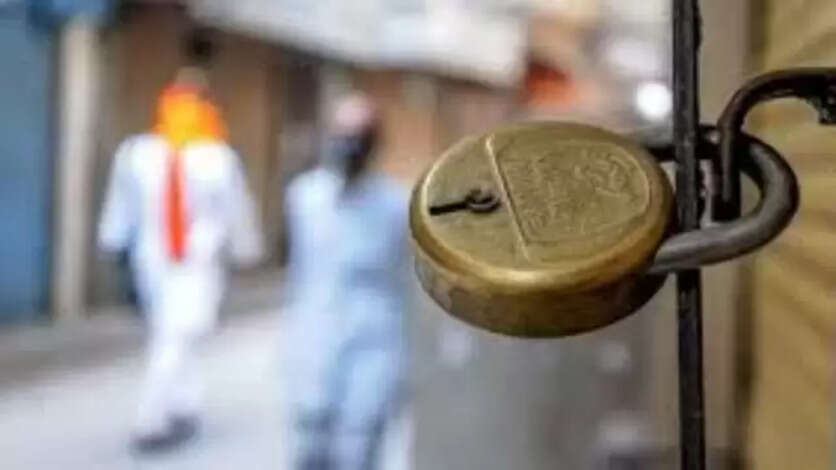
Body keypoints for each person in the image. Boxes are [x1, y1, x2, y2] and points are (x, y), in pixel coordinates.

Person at [98, 68, 263, 452]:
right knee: (173, 334)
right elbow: (123, 204)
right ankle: (150, 419)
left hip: (192, 260)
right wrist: (116, 242)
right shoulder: (142, 153)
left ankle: (184, 405)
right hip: (162, 261)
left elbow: (234, 210)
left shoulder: (213, 156)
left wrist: (244, 248)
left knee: (180, 333)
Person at [282, 93, 410, 470]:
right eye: (343, 133)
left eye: (360, 135)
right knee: (311, 452)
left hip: (374, 342)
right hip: (314, 340)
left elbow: (406, 284)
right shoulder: (305, 197)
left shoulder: (394, 206)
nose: (350, 145)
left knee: (358, 450)